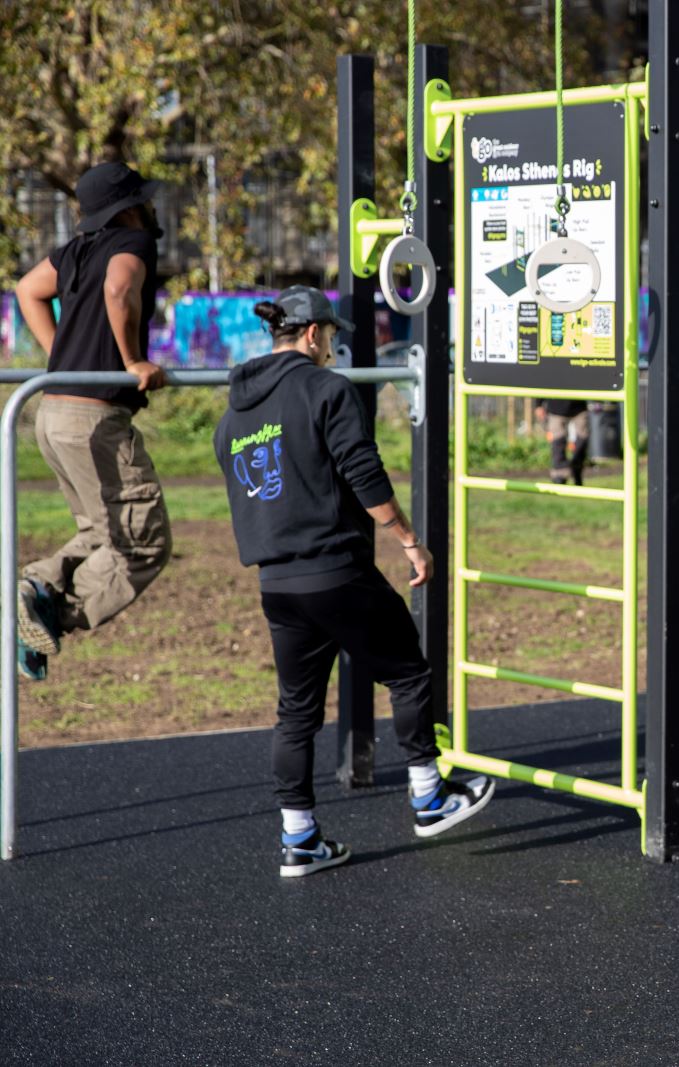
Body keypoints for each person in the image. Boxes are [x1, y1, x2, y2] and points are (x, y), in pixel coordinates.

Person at [215, 287, 493, 877]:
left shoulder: (235, 412)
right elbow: (363, 471)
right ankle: (428, 796)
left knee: (296, 713)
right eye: (332, 337)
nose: (335, 346)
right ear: (313, 335)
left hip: (278, 584)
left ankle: (300, 838)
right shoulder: (326, 389)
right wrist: (410, 542)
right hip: (335, 571)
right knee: (409, 672)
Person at [11, 162, 172, 682]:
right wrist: (130, 362)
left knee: (99, 532)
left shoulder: (75, 251)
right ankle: (50, 612)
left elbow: (27, 290)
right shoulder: (133, 242)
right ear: (130, 207)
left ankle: (34, 590)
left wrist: (63, 355)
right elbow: (121, 289)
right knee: (142, 544)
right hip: (95, 417)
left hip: (51, 411)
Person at [536, 398, 590, 484]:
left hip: (579, 408)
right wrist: (538, 405)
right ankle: (560, 475)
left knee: (582, 441)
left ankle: (576, 469)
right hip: (556, 409)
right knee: (558, 442)